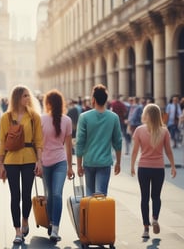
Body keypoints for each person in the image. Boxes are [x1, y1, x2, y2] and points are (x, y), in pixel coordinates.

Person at [0, 85, 43, 245]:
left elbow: (38, 140)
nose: (28, 98)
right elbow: (2, 141)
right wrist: (1, 164)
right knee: (15, 196)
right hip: (11, 160)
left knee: (26, 194)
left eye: (28, 96)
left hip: (30, 158)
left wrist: (39, 161)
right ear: (17, 98)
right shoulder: (6, 117)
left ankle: (25, 220)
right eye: (25, 96)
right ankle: (17, 230)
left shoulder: (34, 117)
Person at [130, 103, 177, 239]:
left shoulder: (139, 130)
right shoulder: (164, 131)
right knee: (156, 196)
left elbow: (134, 151)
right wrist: (173, 166)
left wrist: (132, 166)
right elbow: (168, 151)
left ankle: (145, 229)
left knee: (144, 198)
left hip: (143, 168)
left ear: (146, 115)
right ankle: (155, 218)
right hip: (158, 169)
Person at [76, 84, 122, 196]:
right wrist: (118, 163)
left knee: (89, 195)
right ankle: (99, 214)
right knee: (101, 196)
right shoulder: (113, 117)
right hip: (104, 162)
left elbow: (79, 143)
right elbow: (118, 142)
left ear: (93, 99)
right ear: (106, 100)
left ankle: (90, 214)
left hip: (89, 161)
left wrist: (79, 165)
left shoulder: (84, 117)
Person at [41, 89, 74, 242]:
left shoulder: (67, 121)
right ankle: (51, 221)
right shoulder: (42, 119)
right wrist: (38, 163)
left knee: (56, 194)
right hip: (45, 163)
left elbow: (68, 146)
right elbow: (38, 144)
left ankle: (55, 228)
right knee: (49, 196)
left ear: (47, 103)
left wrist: (69, 167)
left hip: (60, 162)